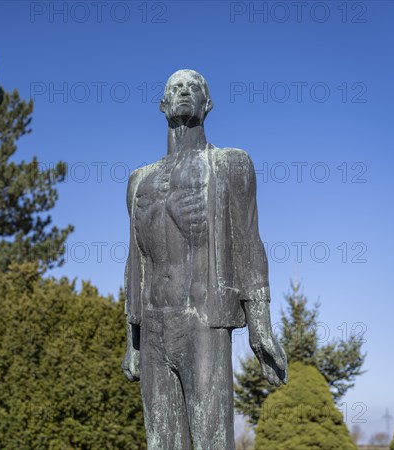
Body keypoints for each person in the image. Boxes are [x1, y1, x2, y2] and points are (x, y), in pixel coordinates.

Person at [122, 69, 287, 449]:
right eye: (175, 88)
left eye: (192, 87)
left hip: (204, 324)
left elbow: (248, 245)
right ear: (163, 105)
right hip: (153, 325)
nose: (183, 91)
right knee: (160, 441)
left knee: (211, 439)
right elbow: (135, 262)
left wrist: (261, 330)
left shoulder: (231, 164)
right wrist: (132, 340)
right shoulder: (137, 180)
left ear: (207, 104)